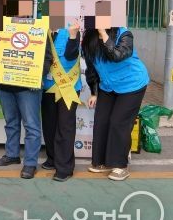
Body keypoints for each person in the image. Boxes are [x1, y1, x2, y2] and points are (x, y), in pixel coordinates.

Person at [83, 27, 149, 181]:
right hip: (108, 85)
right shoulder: (89, 38)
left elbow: (117, 56)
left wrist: (103, 34)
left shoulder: (124, 34)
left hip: (132, 84)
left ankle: (120, 165)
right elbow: (91, 68)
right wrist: (94, 92)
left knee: (119, 122)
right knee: (101, 121)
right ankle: (102, 162)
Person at [0, 29, 52, 179]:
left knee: (31, 126)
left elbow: (47, 57)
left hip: (28, 87)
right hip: (5, 85)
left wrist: (36, 76)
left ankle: (30, 163)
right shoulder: (2, 27)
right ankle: (12, 155)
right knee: (11, 122)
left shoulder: (38, 29)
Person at [40, 22, 82, 182]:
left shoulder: (71, 29)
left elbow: (71, 55)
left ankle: (65, 168)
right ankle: (52, 158)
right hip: (48, 86)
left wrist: (72, 36)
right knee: (49, 125)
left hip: (68, 87)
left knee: (65, 127)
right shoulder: (42, 29)